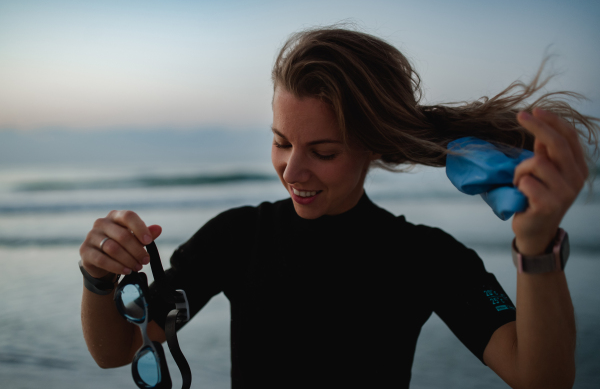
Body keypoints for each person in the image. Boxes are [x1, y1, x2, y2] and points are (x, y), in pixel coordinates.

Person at [79, 27, 599, 388]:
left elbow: (542, 377)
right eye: (282, 142)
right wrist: (98, 277)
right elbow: (118, 349)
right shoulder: (238, 238)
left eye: (324, 152)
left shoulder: (425, 256)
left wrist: (536, 248)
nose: (292, 171)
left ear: (372, 145)